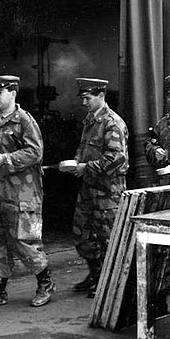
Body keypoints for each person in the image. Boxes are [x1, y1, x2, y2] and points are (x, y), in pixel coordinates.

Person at [0, 74, 55, 309]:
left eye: (0, 93)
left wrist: (5, 159)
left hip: (21, 192)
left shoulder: (24, 121)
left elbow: (35, 152)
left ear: (13, 93)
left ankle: (45, 282)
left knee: (24, 240)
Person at [71, 78, 129, 298]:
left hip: (108, 191)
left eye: (88, 97)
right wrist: (77, 162)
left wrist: (86, 167)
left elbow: (116, 158)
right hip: (89, 187)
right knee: (82, 234)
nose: (84, 101)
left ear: (101, 96)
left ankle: (108, 282)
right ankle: (95, 274)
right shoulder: (90, 121)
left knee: (107, 238)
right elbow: (83, 147)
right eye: (83, 97)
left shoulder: (112, 123)